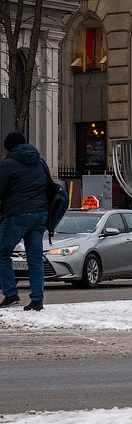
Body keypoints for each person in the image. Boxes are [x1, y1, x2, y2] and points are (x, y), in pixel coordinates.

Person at [0, 131, 49, 311]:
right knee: (35, 258)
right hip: (40, 214)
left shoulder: (8, 165)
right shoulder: (40, 162)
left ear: (9, 148)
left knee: (2, 253)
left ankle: (11, 294)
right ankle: (37, 299)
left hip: (18, 215)